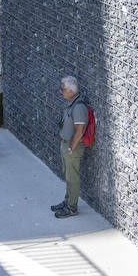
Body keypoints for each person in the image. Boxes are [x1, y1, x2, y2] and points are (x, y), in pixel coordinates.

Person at [53, 76, 89, 219]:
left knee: (72, 177)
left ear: (71, 91)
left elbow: (79, 130)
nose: (61, 92)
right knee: (67, 174)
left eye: (63, 89)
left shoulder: (79, 107)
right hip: (66, 144)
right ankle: (67, 201)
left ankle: (71, 207)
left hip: (71, 147)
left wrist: (71, 148)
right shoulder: (71, 103)